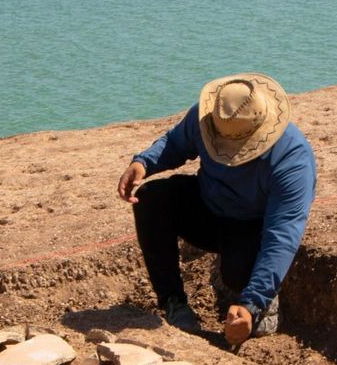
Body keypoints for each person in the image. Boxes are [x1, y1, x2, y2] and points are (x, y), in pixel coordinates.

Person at [117, 72, 316, 346]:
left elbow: (281, 236)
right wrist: (143, 163)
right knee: (151, 199)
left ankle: (262, 300)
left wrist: (252, 304)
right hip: (209, 205)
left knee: (238, 273)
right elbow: (175, 143)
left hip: (252, 225)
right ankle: (173, 302)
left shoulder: (293, 160)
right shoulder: (212, 117)